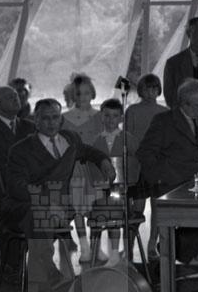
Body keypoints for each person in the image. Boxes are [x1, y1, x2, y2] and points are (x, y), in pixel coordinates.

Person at [6, 99, 114, 290]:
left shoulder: (70, 138)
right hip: (32, 203)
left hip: (67, 203)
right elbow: (17, 186)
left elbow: (88, 151)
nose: (51, 122)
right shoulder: (21, 149)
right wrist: (45, 200)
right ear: (36, 121)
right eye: (45, 118)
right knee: (40, 215)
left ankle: (49, 282)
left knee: (109, 204)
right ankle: (47, 279)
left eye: (55, 117)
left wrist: (104, 162)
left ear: (61, 119)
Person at [137, 78, 198, 264]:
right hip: (173, 185)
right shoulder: (164, 121)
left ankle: (186, 251)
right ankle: (182, 251)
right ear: (185, 104)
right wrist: (161, 178)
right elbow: (145, 153)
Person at [0, 86, 36, 283]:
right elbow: (1, 164)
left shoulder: (30, 127)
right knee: (8, 205)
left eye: (16, 95)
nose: (16, 98)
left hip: (29, 183)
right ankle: (11, 264)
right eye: (10, 97)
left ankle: (40, 260)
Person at [91, 98, 140, 267]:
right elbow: (92, 166)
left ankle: (120, 252)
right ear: (101, 117)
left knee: (117, 213)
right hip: (101, 191)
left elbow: (136, 163)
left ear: (121, 118)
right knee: (102, 211)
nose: (110, 120)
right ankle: (101, 251)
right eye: (107, 115)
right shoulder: (96, 140)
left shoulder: (128, 139)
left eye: (115, 116)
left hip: (124, 192)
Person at [124, 72, 168, 258]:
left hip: (158, 165)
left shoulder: (165, 111)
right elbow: (127, 137)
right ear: (140, 90)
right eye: (147, 88)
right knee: (137, 207)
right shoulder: (132, 111)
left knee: (158, 206)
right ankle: (130, 245)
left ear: (159, 90)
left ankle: (152, 244)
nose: (151, 92)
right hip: (138, 165)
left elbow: (168, 139)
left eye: (154, 88)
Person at [61, 73, 104, 262]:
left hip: (96, 168)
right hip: (76, 168)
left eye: (87, 93)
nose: (83, 97)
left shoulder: (100, 116)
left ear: (92, 93)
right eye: (79, 94)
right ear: (73, 96)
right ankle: (84, 246)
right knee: (78, 207)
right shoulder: (65, 118)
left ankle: (96, 246)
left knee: (97, 207)